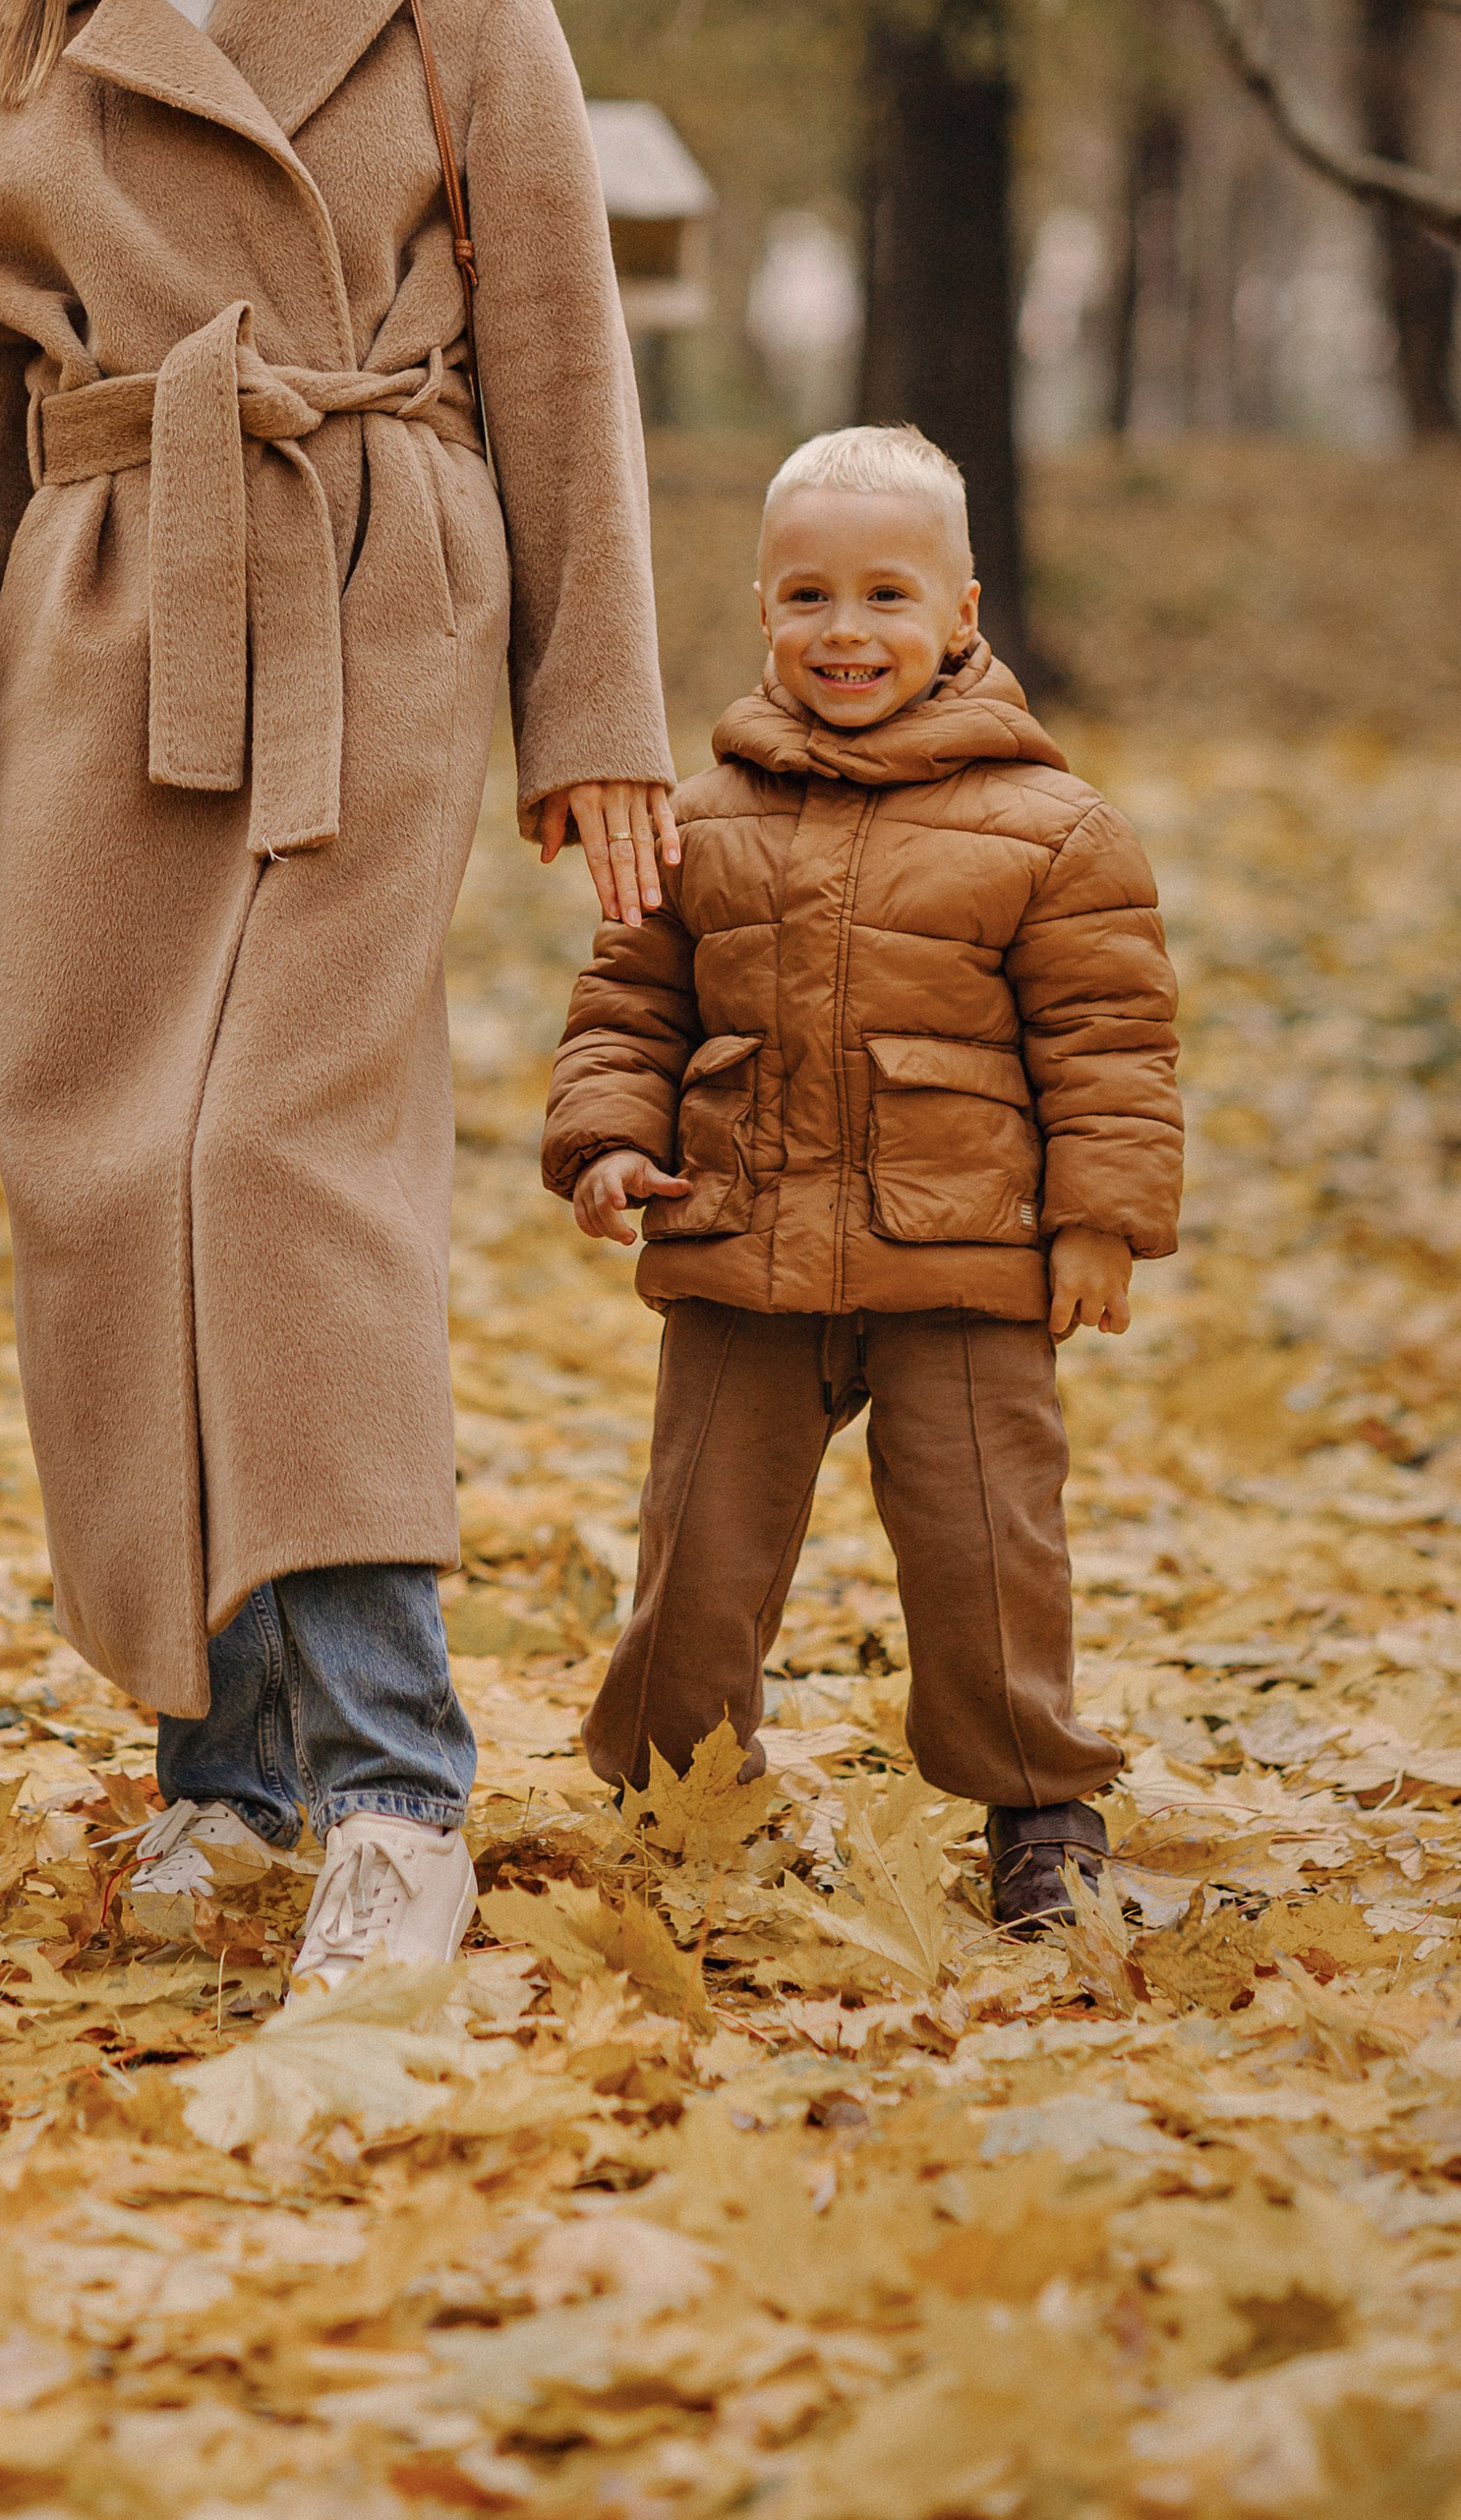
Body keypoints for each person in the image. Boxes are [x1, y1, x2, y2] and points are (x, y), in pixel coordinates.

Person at [0, 0, 674, 1987]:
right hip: (95, 636)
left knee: (277, 1154)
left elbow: (561, 358)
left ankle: (396, 1795)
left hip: (367, 588)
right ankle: (216, 1770)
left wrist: (594, 706)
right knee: (110, 1178)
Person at [541, 425, 1183, 1931]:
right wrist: (607, 1140)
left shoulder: (1055, 830)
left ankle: (1040, 1810)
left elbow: (1111, 1043)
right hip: (740, 1247)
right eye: (809, 597)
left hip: (964, 1260)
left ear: (964, 614)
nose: (847, 631)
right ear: (762, 608)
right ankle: (675, 1792)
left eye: (888, 597)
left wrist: (1101, 1224)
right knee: (699, 1546)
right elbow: (631, 1002)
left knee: (988, 1551)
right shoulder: (695, 819)